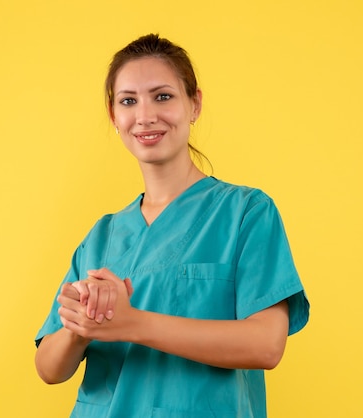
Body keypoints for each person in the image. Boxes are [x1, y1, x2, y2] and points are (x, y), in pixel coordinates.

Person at [34, 33, 310, 418]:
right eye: (128, 101)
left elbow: (266, 345)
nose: (145, 115)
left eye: (162, 96)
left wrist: (133, 324)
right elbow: (49, 368)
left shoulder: (246, 212)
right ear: (114, 116)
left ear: (194, 104)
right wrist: (81, 327)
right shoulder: (103, 236)